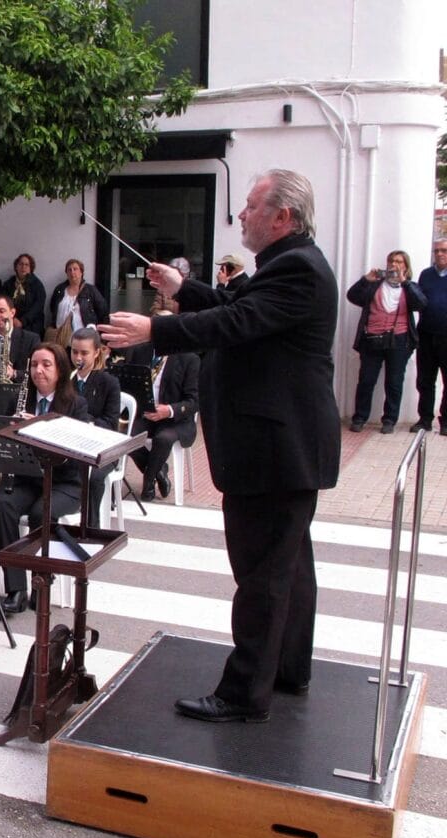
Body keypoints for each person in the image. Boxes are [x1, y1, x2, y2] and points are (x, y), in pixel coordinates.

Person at [100, 168, 340, 724]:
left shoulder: (297, 269)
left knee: (261, 577)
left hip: (274, 451)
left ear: (282, 217)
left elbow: (236, 321)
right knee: (288, 569)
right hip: (281, 448)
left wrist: (156, 330)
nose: (242, 215)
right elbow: (235, 302)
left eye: (252, 206)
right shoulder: (287, 264)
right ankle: (288, 669)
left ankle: (243, 694)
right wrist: (181, 289)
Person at [0, 342, 90, 613]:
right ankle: (16, 588)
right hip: (28, 477)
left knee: (40, 512)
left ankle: (40, 581)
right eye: (34, 365)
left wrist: (40, 429)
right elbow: (3, 444)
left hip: (64, 482)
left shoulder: (76, 405)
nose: (38, 370)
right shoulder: (19, 399)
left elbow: (76, 453)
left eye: (46, 365)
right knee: (1, 507)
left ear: (60, 370)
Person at [347, 251, 426, 434]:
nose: (394, 264)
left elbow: (421, 303)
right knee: (366, 380)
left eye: (399, 262)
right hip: (372, 338)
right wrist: (365, 279)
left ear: (406, 266)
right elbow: (352, 296)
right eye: (391, 261)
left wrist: (405, 282)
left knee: (394, 381)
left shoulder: (409, 287)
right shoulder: (375, 285)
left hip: (399, 339)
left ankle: (389, 420)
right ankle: (359, 418)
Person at [129, 338, 200, 502]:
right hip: (146, 415)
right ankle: (159, 471)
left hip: (176, 419)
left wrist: (168, 411)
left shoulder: (190, 358)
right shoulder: (141, 352)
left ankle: (148, 483)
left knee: (163, 439)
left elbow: (194, 402)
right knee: (125, 437)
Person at [69, 327, 122, 526]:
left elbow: (111, 422)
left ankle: (91, 528)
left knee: (93, 477)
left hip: (102, 448)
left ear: (97, 352)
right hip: (70, 445)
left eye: (84, 353)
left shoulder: (109, 383)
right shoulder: (66, 380)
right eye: (74, 352)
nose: (78, 358)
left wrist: (85, 421)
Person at [0, 294, 40, 403]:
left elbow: (37, 373)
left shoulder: (31, 339)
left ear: (12, 312)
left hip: (23, 398)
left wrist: (14, 373)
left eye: (1, 311)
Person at [413, 239, 447, 433]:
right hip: (426, 335)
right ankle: (424, 419)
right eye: (437, 251)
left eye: (444, 250)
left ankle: (446, 422)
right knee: (425, 380)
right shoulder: (426, 275)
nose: (440, 254)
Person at [47, 259, 108, 348]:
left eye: (75, 269)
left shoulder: (90, 290)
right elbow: (53, 307)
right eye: (69, 270)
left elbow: (102, 310)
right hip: (61, 337)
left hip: (83, 338)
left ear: (81, 272)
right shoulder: (60, 289)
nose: (72, 272)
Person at [2, 253, 48, 338]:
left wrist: (22, 321)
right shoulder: (8, 284)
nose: (23, 267)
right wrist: (12, 318)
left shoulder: (37, 285)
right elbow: (4, 303)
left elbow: (38, 306)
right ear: (16, 267)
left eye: (27, 265)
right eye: (21, 264)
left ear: (31, 268)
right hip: (12, 322)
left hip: (32, 325)